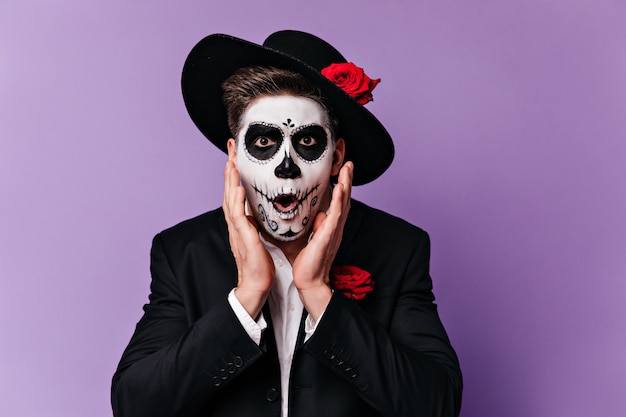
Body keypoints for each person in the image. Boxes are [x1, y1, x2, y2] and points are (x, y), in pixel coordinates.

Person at [111, 30, 462, 417]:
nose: (286, 167)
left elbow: (437, 406)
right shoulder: (183, 252)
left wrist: (318, 294)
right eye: (263, 143)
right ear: (234, 155)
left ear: (336, 156)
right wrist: (247, 296)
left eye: (308, 143)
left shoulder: (398, 247)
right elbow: (135, 405)